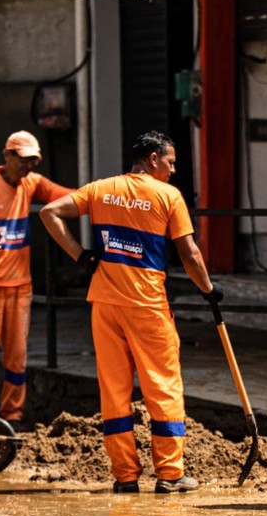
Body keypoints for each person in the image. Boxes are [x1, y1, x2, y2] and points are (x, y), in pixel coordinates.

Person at [39, 130, 218, 494]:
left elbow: (49, 212)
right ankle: (169, 474)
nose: (172, 170)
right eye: (169, 162)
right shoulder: (168, 196)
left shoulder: (101, 189)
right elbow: (190, 253)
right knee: (163, 387)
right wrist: (209, 290)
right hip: (148, 305)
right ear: (153, 159)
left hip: (105, 303)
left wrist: (80, 255)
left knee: (114, 389)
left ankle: (124, 475)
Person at [0, 130, 76, 421]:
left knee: (16, 357)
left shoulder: (31, 183)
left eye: (33, 161)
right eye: (23, 160)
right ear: (8, 155)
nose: (28, 166)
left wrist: (103, 195)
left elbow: (67, 197)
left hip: (20, 287)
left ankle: (12, 416)